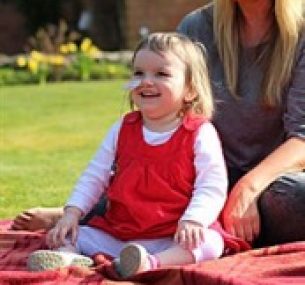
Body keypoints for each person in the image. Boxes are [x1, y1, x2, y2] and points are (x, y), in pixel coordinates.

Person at [26, 32, 248, 276]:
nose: (146, 81)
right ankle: (70, 257)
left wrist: (194, 220)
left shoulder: (199, 132)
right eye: (138, 73)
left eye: (161, 74)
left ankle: (150, 263)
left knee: (210, 242)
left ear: (190, 90)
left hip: (173, 235)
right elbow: (95, 175)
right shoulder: (123, 128)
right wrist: (72, 213)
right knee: (69, 234)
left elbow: (211, 184)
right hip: (120, 232)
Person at [177, 0, 305, 246]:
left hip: (272, 184)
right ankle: (223, 233)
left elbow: (302, 137)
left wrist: (248, 188)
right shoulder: (196, 27)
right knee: (103, 204)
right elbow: (172, 114)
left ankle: (220, 235)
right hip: (202, 180)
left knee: (297, 197)